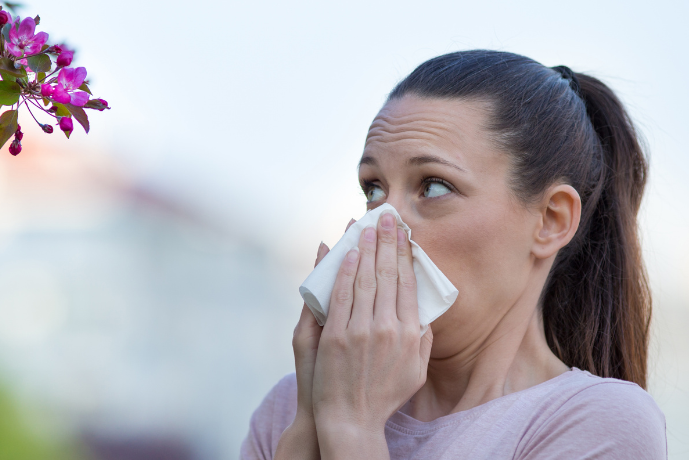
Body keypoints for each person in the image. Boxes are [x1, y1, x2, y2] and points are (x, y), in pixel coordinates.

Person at [240, 50, 667, 459]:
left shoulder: (595, 421)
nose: (383, 223)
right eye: (374, 190)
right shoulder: (287, 410)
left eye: (434, 186)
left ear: (551, 220)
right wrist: (314, 417)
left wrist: (352, 426)